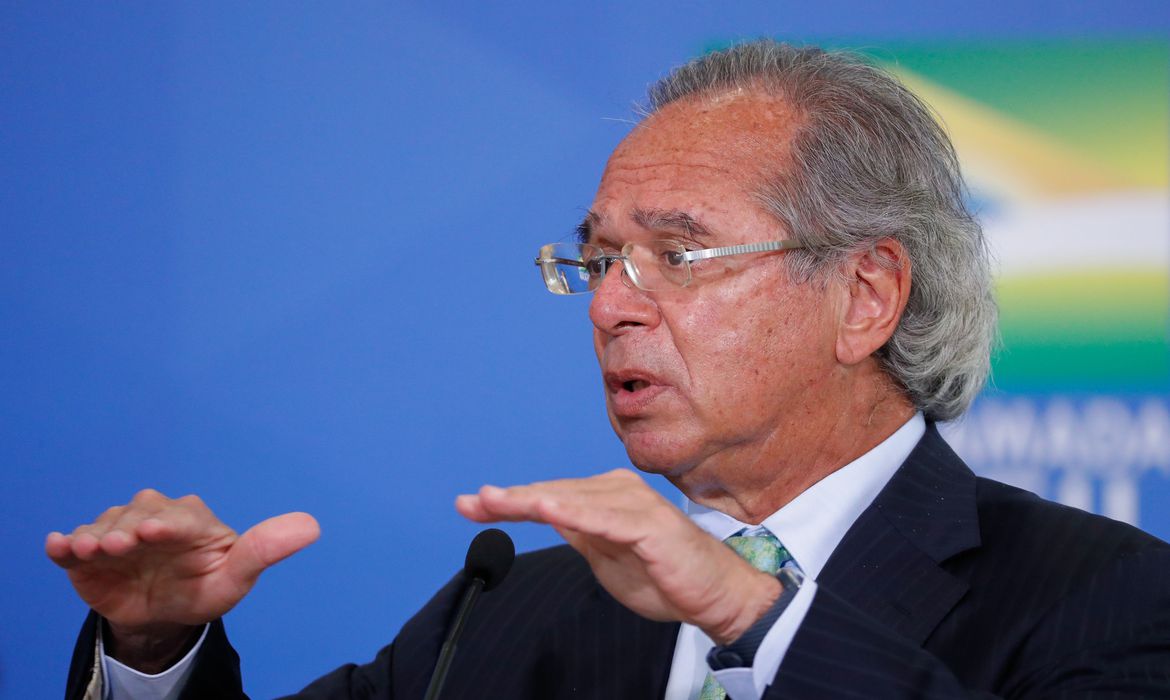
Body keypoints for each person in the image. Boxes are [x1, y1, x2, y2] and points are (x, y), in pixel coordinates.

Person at [51, 40, 1170, 699]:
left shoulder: (1108, 597)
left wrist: (751, 614)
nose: (611, 305)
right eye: (597, 261)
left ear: (865, 295)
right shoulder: (509, 614)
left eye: (679, 256)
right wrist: (154, 652)